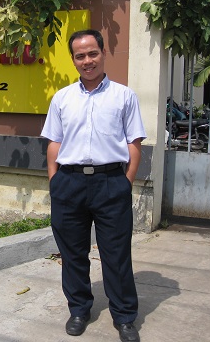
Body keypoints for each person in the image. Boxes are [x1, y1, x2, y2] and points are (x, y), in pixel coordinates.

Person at [41, 29, 146, 342]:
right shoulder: (62, 98)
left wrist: (126, 182)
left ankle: (124, 317)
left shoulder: (124, 96)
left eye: (92, 53)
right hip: (68, 183)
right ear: (73, 60)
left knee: (116, 254)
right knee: (72, 253)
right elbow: (54, 142)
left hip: (111, 182)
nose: (87, 61)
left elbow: (134, 142)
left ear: (103, 54)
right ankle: (78, 309)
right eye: (80, 56)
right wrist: (55, 180)